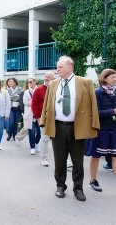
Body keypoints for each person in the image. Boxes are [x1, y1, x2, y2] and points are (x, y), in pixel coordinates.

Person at [40, 56, 100, 202]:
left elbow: (93, 104)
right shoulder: (53, 83)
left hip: (77, 127)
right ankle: (60, 186)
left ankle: (78, 188)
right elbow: (47, 104)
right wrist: (43, 121)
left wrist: (94, 125)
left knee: (78, 161)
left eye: (60, 67)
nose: (57, 69)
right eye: (57, 67)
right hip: (58, 126)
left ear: (70, 67)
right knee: (59, 160)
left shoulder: (85, 82)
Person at [85, 69, 116, 192]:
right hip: (101, 129)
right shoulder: (97, 92)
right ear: (104, 78)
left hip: (114, 129)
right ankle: (93, 180)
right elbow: (94, 113)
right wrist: (112, 112)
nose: (115, 79)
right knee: (96, 155)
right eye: (112, 77)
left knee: (115, 156)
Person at [31, 71, 55, 166]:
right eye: (45, 76)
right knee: (44, 138)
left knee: (60, 139)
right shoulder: (38, 90)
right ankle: (44, 158)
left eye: (49, 77)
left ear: (53, 78)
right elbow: (33, 105)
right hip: (44, 118)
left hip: (56, 118)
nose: (46, 78)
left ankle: (65, 160)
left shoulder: (57, 88)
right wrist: (38, 117)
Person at [23, 77, 41, 155]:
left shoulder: (39, 90)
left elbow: (40, 102)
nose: (29, 84)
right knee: (32, 132)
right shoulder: (26, 92)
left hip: (38, 114)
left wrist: (31, 101)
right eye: (28, 82)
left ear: (35, 82)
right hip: (30, 114)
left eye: (30, 82)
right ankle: (32, 147)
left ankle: (36, 143)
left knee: (40, 132)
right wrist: (33, 102)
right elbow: (25, 102)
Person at [15, 79, 29, 145]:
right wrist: (23, 111)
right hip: (26, 112)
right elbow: (21, 103)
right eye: (29, 82)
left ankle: (36, 144)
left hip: (35, 112)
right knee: (26, 127)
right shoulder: (23, 92)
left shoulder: (35, 91)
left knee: (36, 128)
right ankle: (18, 137)